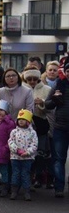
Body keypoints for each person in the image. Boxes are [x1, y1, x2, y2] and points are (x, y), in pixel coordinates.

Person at [23, 67, 53, 188]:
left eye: (35, 78)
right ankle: (28, 177)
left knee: (41, 153)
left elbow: (51, 107)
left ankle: (39, 176)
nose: (32, 81)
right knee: (27, 153)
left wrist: (42, 103)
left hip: (41, 123)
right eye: (29, 79)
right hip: (26, 125)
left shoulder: (47, 89)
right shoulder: (23, 89)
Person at [44, 68, 69, 198]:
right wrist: (55, 99)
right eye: (68, 70)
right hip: (60, 127)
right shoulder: (59, 85)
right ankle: (59, 187)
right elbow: (47, 104)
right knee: (59, 159)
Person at [8, 109, 38, 200]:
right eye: (19, 119)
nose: (21, 121)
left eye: (23, 119)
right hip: (15, 157)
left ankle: (26, 192)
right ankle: (14, 191)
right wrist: (16, 150)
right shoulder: (14, 132)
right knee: (15, 174)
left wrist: (27, 152)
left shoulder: (32, 133)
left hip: (27, 158)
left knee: (25, 174)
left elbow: (34, 144)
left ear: (28, 121)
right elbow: (10, 142)